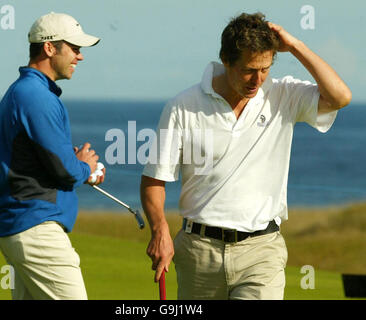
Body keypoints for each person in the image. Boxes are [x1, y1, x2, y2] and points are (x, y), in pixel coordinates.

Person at [140, 12, 351, 300]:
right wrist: (160, 229)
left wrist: (296, 46)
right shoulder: (183, 106)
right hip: (199, 251)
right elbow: (154, 179)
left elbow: (340, 97)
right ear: (226, 60)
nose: (258, 79)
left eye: (265, 68)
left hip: (261, 251)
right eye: (249, 69)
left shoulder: (284, 95)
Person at [0, 12, 105, 300]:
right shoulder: (36, 96)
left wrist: (76, 163)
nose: (80, 56)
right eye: (74, 48)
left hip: (23, 226)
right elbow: (65, 171)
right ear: (49, 48)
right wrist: (85, 167)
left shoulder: (27, 92)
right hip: (36, 228)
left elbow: (51, 160)